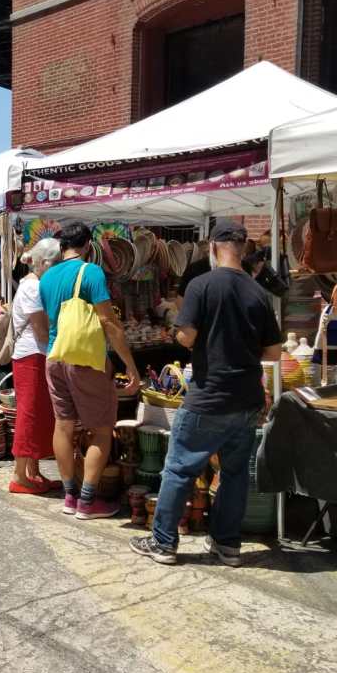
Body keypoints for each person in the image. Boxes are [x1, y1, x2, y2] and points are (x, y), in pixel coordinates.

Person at [130, 221, 282, 566]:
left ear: (213, 248)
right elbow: (273, 354)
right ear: (243, 249)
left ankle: (163, 543)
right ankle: (228, 545)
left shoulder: (202, 284)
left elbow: (185, 337)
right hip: (246, 397)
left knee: (180, 469)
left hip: (209, 395)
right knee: (235, 473)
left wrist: (187, 326)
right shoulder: (258, 292)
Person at [40, 222, 141, 519]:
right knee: (100, 430)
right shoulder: (91, 272)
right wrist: (130, 365)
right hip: (84, 359)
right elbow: (109, 323)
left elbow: (50, 321)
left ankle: (69, 495)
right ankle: (87, 501)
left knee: (63, 424)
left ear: (61, 246)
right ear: (88, 245)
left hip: (54, 355)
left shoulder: (47, 277)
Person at [9, 238, 61, 495]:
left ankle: (33, 471)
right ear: (43, 263)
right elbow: (41, 332)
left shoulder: (36, 284)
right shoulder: (31, 287)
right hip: (32, 355)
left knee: (37, 413)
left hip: (35, 354)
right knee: (29, 414)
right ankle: (20, 475)